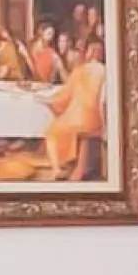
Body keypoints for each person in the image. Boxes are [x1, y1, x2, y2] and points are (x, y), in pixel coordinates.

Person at [41, 46, 106, 178]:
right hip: (98, 119)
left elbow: (63, 97)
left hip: (79, 119)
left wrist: (47, 101)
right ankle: (74, 167)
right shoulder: (105, 71)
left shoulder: (80, 71)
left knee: (52, 132)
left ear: (90, 53)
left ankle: (56, 169)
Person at [28, 20, 66, 84]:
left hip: (44, 84)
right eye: (49, 33)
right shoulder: (31, 47)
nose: (51, 37)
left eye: (52, 35)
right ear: (41, 32)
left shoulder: (51, 52)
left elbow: (45, 77)